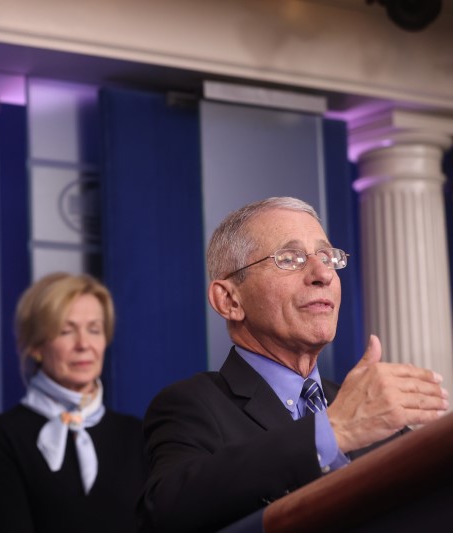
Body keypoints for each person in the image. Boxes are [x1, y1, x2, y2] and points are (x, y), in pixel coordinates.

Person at [139, 197, 449, 533]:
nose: (322, 274)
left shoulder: (370, 410)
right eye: (290, 259)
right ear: (229, 300)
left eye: (328, 257)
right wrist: (333, 432)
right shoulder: (193, 405)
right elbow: (166, 513)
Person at [0, 272, 146, 533]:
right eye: (66, 331)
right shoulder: (3, 435)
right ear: (35, 345)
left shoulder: (136, 434)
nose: (84, 344)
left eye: (94, 330)